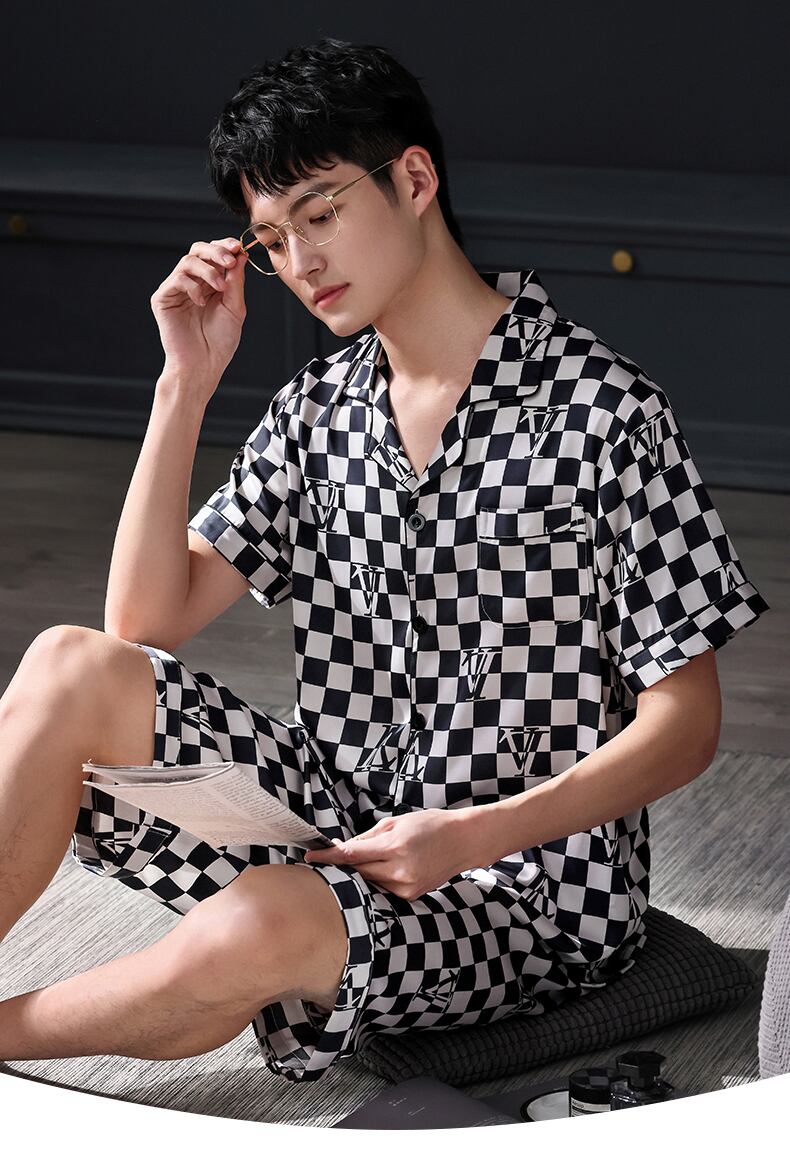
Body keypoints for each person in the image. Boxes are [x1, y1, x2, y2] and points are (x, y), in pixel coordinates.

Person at [0, 37, 770, 1083]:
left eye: (319, 213)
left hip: (523, 892)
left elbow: (687, 728)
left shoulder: (605, 413)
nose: (300, 262)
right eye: (272, 240)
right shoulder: (317, 409)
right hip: (335, 818)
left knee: (263, 923)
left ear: (412, 179)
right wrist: (184, 384)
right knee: (67, 664)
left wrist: (466, 836)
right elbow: (141, 630)